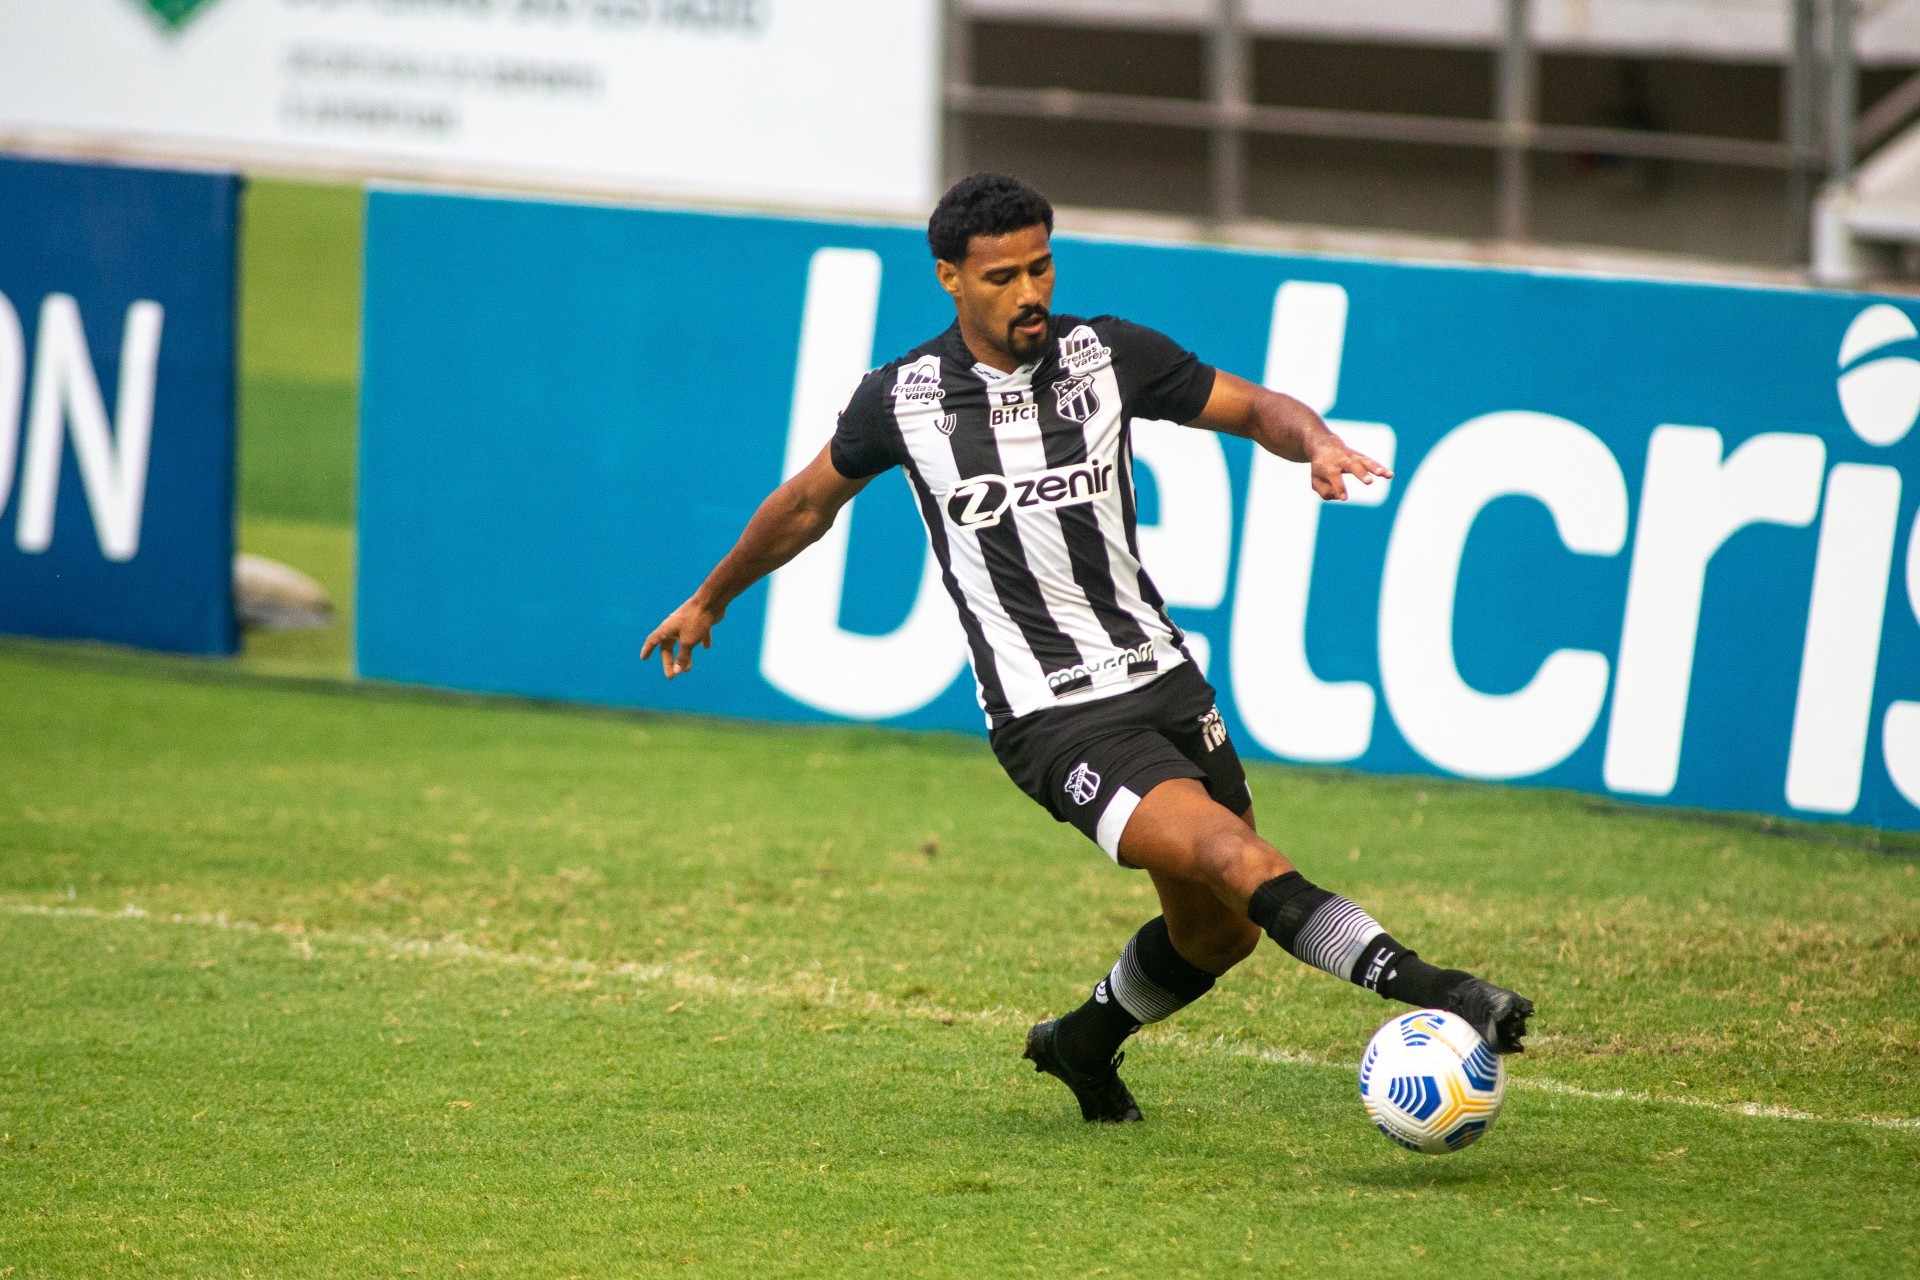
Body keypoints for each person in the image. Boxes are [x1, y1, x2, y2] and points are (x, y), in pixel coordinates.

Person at [642, 173, 1533, 1123]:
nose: (1029, 293)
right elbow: (805, 506)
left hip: (1164, 678)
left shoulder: (1106, 355)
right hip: (1053, 716)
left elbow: (1257, 407)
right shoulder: (901, 399)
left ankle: (1080, 1044)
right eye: (1001, 277)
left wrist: (1313, 441)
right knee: (1236, 855)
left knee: (1218, 933)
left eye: (1041, 266)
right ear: (949, 276)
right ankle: (1448, 993)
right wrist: (711, 599)